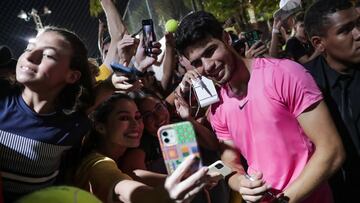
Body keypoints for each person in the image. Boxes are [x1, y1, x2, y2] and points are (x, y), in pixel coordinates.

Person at [175, 11, 345, 203]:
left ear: (226, 38)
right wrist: (241, 183)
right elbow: (229, 165)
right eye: (197, 62)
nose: (207, 67)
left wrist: (283, 200)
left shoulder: (285, 74)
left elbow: (332, 150)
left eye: (210, 51)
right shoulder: (218, 107)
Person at [0, 27, 94, 202]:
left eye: (49, 55)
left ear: (72, 76)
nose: (29, 56)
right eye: (29, 48)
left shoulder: (73, 127)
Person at [75, 93, 210, 203]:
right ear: (100, 127)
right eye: (123, 118)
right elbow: (122, 188)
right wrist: (156, 197)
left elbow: (133, 174)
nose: (136, 124)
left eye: (138, 116)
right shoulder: (97, 164)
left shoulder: (119, 154)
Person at [304, 0, 360, 202]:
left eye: (358, 24)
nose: (358, 34)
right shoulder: (303, 83)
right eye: (345, 30)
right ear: (319, 43)